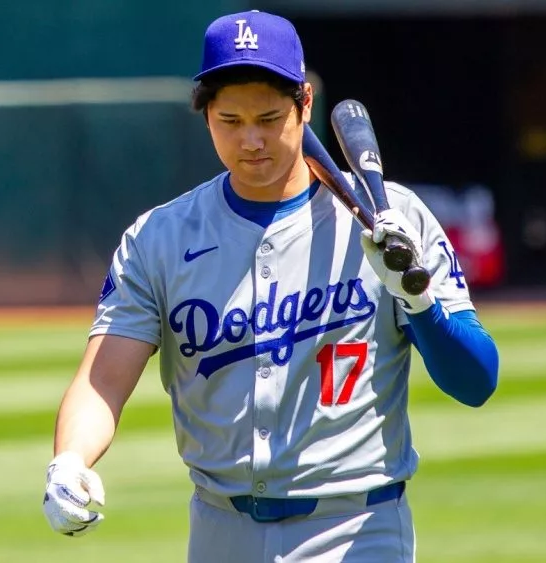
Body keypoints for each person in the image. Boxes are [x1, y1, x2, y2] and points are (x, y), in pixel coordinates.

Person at [41, 9, 499, 562]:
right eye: (230, 120)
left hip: (357, 529)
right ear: (205, 115)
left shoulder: (393, 218)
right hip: (220, 531)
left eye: (269, 116)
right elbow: (102, 381)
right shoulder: (159, 237)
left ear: (306, 104)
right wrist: (69, 459)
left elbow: (476, 380)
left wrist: (418, 299)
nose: (251, 140)